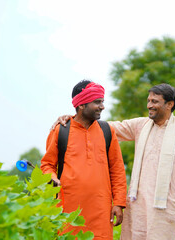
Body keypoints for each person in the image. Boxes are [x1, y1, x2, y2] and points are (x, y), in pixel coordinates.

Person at [53, 83, 175, 240]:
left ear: (170, 104)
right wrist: (71, 120)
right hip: (138, 206)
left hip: (165, 207)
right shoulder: (141, 125)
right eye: (149, 101)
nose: (149, 105)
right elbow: (106, 128)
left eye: (155, 102)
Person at [41, 80, 127, 240]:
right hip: (69, 210)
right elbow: (47, 164)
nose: (102, 106)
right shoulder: (61, 130)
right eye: (97, 102)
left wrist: (119, 203)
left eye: (102, 101)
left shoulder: (107, 130)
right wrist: (52, 178)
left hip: (101, 210)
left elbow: (117, 169)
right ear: (81, 105)